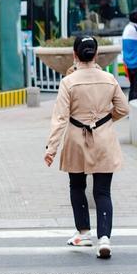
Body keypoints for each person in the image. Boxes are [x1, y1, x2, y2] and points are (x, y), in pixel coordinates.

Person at [44, 36, 129, 259]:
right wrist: (105, 121)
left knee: (77, 186)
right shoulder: (109, 78)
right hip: (104, 138)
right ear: (96, 54)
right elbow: (123, 108)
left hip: (75, 139)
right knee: (102, 191)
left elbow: (60, 118)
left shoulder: (68, 82)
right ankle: (105, 239)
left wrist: (51, 148)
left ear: (75, 55)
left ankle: (83, 233)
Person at [122, 9, 137, 101]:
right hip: (135, 63)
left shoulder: (128, 27)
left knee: (133, 88)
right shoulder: (133, 29)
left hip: (129, 63)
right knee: (135, 89)